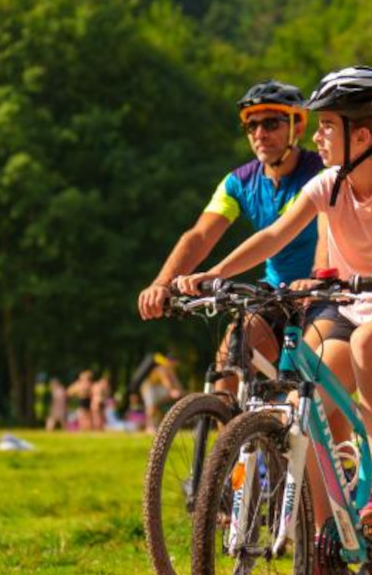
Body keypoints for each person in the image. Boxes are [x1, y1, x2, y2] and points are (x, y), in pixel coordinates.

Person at [178, 66, 372, 532]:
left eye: (326, 126)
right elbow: (276, 235)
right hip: (354, 311)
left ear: (360, 136)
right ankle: (324, 536)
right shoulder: (327, 184)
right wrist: (215, 273)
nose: (316, 136)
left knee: (368, 346)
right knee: (311, 403)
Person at [138, 80, 326, 397]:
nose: (259, 134)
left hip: (324, 292)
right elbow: (199, 235)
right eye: (251, 126)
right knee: (228, 367)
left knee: (314, 397)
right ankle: (231, 445)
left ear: (296, 126)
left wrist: (316, 278)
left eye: (271, 123)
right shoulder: (239, 182)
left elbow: (279, 235)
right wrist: (163, 282)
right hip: (276, 294)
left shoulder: (322, 173)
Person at [137, 352, 184, 433]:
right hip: (148, 387)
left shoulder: (171, 370)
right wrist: (172, 391)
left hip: (157, 388)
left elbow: (176, 382)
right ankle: (149, 426)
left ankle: (154, 425)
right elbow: (166, 382)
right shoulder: (162, 368)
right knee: (151, 407)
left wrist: (181, 392)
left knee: (155, 407)